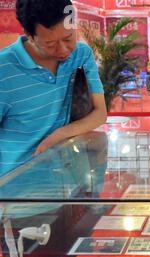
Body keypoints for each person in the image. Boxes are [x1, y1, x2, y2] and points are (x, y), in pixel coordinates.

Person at [0, 0, 106, 177]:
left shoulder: (81, 55)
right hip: (15, 187)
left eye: (68, 38)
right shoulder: (4, 69)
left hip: (65, 179)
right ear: (30, 35)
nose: (64, 50)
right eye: (50, 44)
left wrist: (57, 137)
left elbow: (100, 113)